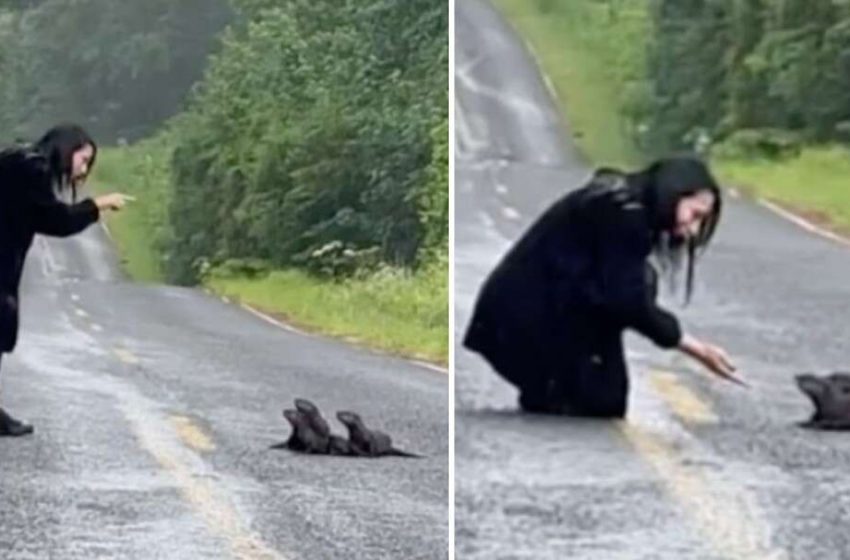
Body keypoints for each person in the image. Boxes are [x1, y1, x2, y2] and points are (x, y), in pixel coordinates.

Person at [463, 156, 740, 418]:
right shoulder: (624, 213)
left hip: (527, 314)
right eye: (695, 214)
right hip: (520, 321)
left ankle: (551, 388)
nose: (693, 229)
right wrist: (696, 349)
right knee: (597, 402)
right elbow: (627, 301)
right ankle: (550, 388)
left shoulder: (620, 201)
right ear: (674, 193)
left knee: (604, 396)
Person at [0, 124, 133, 435]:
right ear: (67, 149)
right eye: (83, 160)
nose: (84, 169)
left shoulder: (21, 162)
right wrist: (97, 205)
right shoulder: (30, 169)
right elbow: (56, 220)